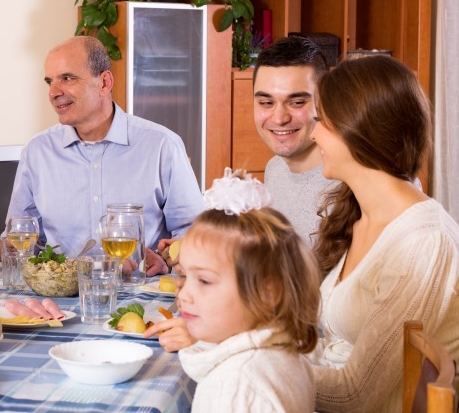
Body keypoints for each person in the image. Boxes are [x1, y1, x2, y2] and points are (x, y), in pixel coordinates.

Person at [309, 55, 459, 412]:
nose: (312, 134)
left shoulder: (422, 243)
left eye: (322, 123)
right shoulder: (362, 215)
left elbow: (355, 395)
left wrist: (255, 365)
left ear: (358, 130)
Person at [5, 36, 204, 276]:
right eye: (50, 82)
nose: (54, 92)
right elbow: (19, 237)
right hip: (59, 301)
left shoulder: (162, 145)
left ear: (104, 82)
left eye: (67, 78)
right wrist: (8, 248)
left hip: (140, 296)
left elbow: (194, 233)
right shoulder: (37, 152)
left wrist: (167, 259)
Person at [176, 169, 320, 412]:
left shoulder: (239, 387)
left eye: (204, 281)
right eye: (185, 276)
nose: (183, 295)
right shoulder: (284, 355)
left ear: (268, 292)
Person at [252, 36, 332, 244]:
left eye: (296, 102)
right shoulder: (274, 169)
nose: (279, 118)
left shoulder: (354, 179)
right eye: (266, 102)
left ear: (324, 100)